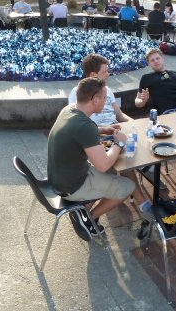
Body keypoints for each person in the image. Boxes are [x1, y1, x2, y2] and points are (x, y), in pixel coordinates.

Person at [47, 77, 153, 240]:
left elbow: (82, 132)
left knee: (114, 170)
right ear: (95, 100)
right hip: (71, 186)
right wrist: (119, 144)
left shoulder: (69, 110)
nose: (106, 101)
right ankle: (88, 218)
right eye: (105, 98)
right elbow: (103, 165)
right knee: (127, 186)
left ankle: (83, 210)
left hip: (59, 177)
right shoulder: (85, 126)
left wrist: (104, 129)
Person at [68, 54, 133, 126]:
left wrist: (133, 122)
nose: (108, 74)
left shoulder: (107, 89)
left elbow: (120, 115)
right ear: (93, 75)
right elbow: (75, 120)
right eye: (104, 72)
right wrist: (105, 129)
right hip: (95, 131)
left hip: (115, 127)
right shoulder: (78, 91)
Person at [135, 48, 176, 114]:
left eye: (157, 58)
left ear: (162, 58)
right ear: (149, 63)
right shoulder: (147, 78)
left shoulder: (175, 73)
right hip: (167, 112)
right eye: (152, 60)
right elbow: (137, 102)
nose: (155, 61)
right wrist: (143, 101)